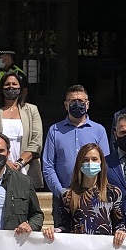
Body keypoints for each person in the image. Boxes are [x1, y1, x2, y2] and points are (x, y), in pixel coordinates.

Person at [43, 84, 110, 218]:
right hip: (63, 196)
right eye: (73, 101)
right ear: (66, 105)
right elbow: (48, 166)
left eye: (81, 101)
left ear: (88, 104)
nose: (77, 104)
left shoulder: (99, 130)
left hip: (92, 197)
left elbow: (104, 164)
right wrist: (61, 192)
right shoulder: (54, 130)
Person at [0, 70, 43, 183]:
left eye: (14, 84)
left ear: (21, 88)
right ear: (2, 88)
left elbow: (36, 140)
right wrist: (4, 161)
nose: (11, 87)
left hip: (24, 168)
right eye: (7, 84)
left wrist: (19, 163)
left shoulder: (31, 110)